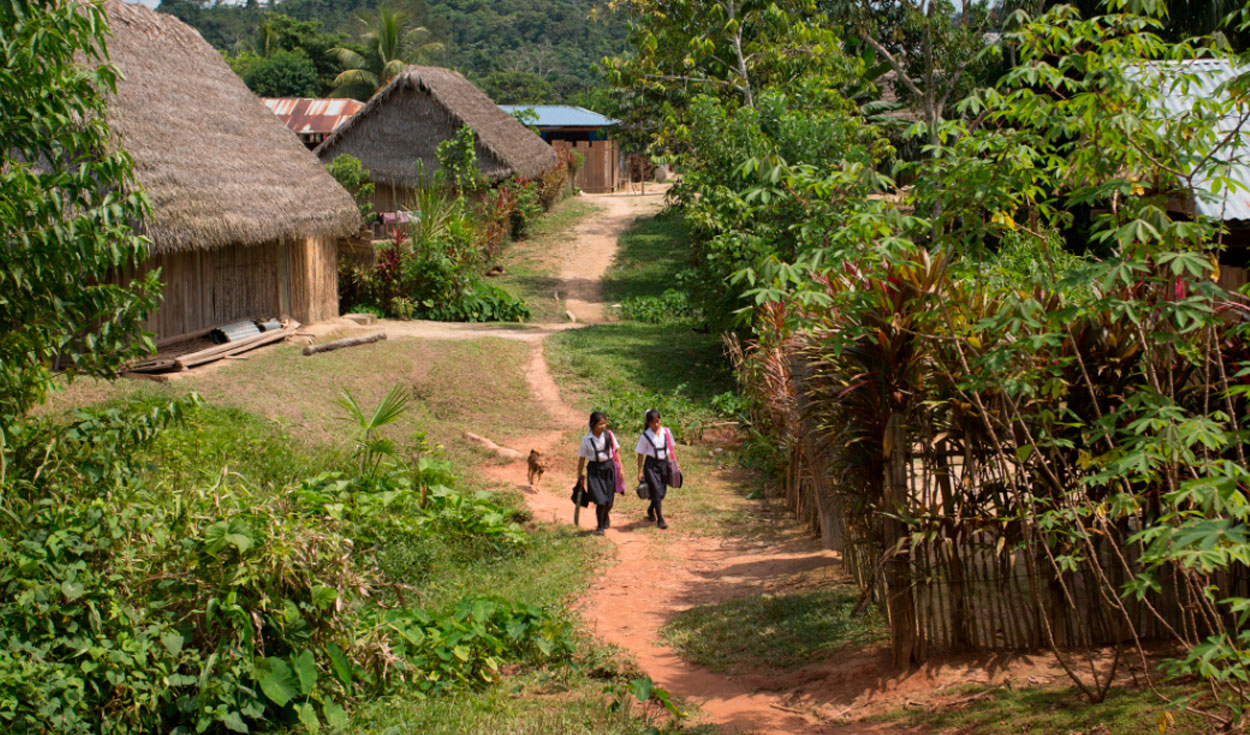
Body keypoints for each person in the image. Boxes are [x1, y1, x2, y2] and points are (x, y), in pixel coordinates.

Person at [577, 411, 621, 535]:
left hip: (609, 467)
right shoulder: (586, 440)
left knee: (609, 501)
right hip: (594, 470)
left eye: (604, 423)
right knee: (600, 501)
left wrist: (621, 469)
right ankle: (600, 526)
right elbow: (582, 458)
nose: (603, 426)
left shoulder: (609, 435)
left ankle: (605, 515)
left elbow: (616, 452)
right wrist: (579, 475)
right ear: (592, 425)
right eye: (600, 424)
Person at [635, 409, 674, 529]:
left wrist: (673, 462)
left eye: (658, 421)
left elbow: (671, 448)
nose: (656, 424)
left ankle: (651, 509)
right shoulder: (645, 436)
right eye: (652, 422)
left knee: (661, 493)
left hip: (664, 464)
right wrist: (640, 470)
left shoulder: (666, 432)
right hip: (651, 466)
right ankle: (660, 519)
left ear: (660, 420)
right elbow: (640, 454)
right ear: (648, 422)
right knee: (656, 490)